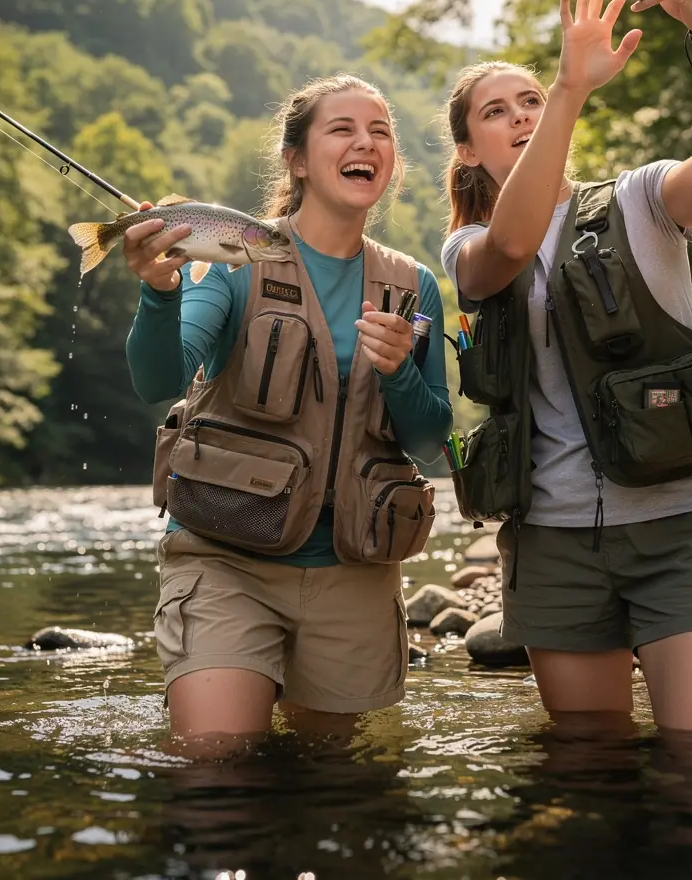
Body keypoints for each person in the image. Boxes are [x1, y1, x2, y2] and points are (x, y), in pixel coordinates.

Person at [440, 0, 692, 735]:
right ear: (469, 150)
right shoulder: (467, 248)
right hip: (554, 543)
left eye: (529, 102)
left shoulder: (644, 198)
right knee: (589, 776)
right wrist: (565, 91)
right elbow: (511, 250)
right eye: (498, 111)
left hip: (685, 524)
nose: (520, 116)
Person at [123, 73, 452, 747]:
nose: (366, 142)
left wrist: (397, 373)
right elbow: (158, 378)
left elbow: (428, 440)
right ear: (297, 160)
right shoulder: (234, 258)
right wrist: (159, 291)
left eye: (381, 131)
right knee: (219, 767)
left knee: (329, 789)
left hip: (353, 572)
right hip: (224, 561)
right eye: (343, 129)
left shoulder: (414, 284)